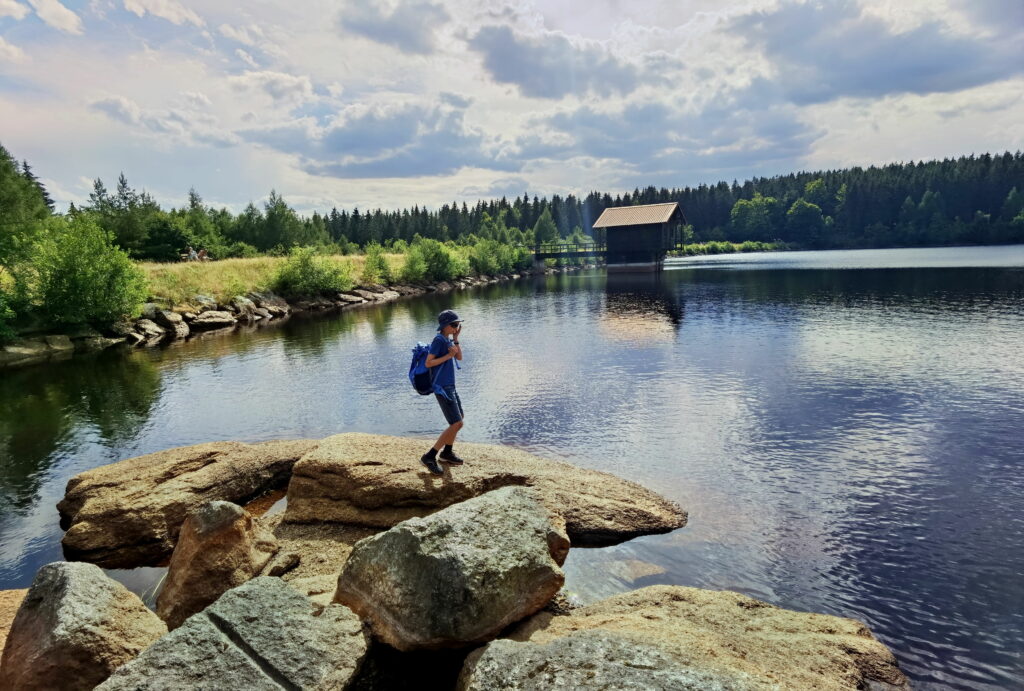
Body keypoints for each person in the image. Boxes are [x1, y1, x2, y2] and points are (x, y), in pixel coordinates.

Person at [421, 309, 464, 474]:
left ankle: (447, 453)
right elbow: (428, 363)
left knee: (459, 420)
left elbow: (459, 358)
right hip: (442, 387)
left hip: (450, 386)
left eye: (458, 324)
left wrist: (456, 339)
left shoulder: (447, 339)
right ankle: (430, 456)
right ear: (445, 325)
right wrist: (447, 356)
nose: (456, 327)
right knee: (456, 423)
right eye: (454, 324)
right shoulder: (439, 340)